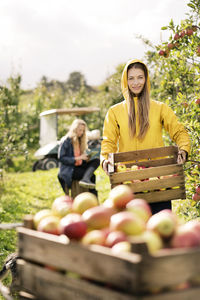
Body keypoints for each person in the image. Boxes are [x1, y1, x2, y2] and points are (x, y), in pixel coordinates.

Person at [100, 59, 191, 214]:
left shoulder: (160, 108)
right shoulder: (115, 112)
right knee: (132, 228)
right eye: (131, 78)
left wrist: (183, 149)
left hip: (157, 180)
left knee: (160, 226)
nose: (136, 82)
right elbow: (108, 142)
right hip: (129, 179)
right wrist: (105, 160)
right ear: (125, 81)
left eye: (140, 77)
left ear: (146, 79)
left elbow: (179, 132)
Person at [57, 119, 100, 195]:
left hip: (79, 165)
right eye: (80, 130)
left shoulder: (80, 140)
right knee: (92, 176)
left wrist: (86, 157)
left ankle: (86, 179)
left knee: (96, 160)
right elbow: (61, 158)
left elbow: (80, 157)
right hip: (70, 169)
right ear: (74, 129)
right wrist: (79, 158)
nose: (82, 132)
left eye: (83, 131)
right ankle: (92, 196)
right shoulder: (66, 140)